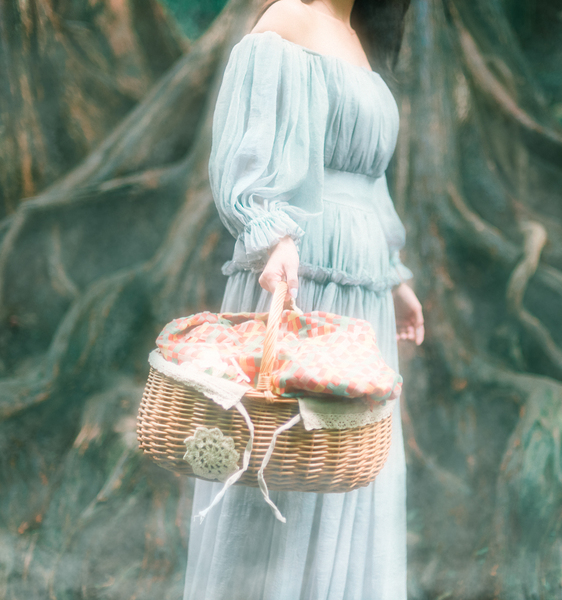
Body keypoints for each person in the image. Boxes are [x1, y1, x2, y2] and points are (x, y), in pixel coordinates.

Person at [183, 0, 422, 598]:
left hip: (363, 281)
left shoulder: (355, 36)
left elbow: (369, 181)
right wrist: (272, 235)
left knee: (347, 459)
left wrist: (395, 277)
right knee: (287, 452)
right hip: (301, 267)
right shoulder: (289, 17)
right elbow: (250, 139)